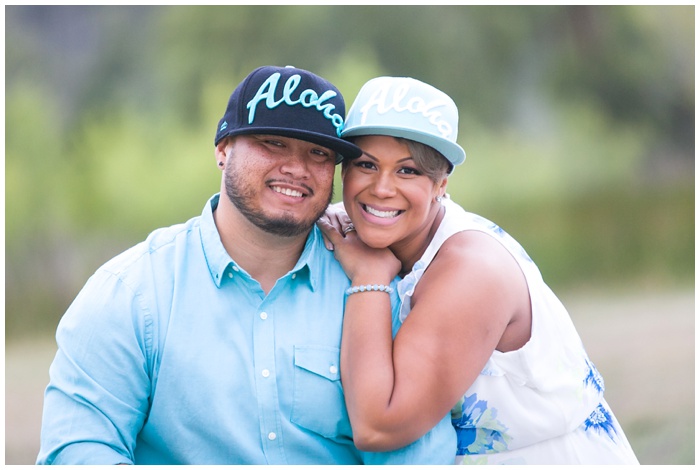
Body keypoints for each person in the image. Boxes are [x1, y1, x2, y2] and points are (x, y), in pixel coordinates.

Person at [36, 66, 457, 465]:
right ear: (223, 150)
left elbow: (418, 456)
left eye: (318, 153)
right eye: (273, 143)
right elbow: (78, 450)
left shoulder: (376, 291)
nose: (296, 168)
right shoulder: (132, 292)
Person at [317, 76, 640, 464]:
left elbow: (378, 425)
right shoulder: (363, 230)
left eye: (408, 171)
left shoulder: (471, 270)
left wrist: (368, 276)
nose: (382, 188)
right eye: (366, 165)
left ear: (441, 183)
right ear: (344, 173)